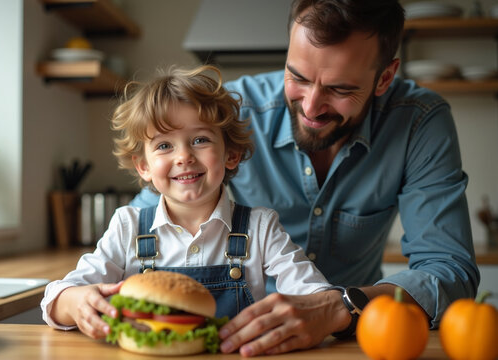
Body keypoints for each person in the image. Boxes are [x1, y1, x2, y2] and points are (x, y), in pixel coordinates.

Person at [131, 0, 480, 357]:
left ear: (385, 78)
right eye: (297, 77)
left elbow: (449, 270)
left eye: (340, 89)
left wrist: (337, 308)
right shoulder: (229, 114)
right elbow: (144, 226)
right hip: (239, 342)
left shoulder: (420, 122)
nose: (311, 107)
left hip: (357, 341)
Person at [40, 65, 331, 339]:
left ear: (231, 154)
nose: (183, 157)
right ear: (144, 166)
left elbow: (318, 297)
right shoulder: (127, 226)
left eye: (200, 140)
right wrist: (75, 302)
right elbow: (57, 298)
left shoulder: (261, 227)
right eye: (164, 145)